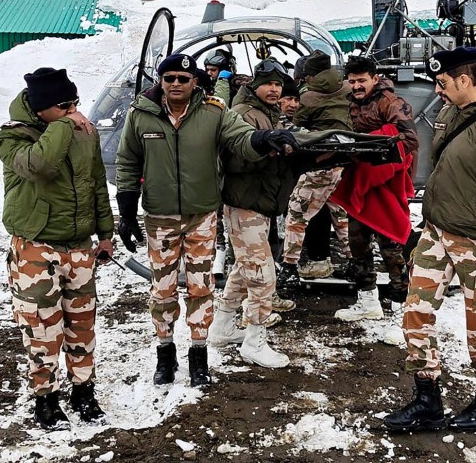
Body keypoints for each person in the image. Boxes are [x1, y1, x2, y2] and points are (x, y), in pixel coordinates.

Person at [113, 53, 297, 388]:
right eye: (169, 79)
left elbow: (239, 136)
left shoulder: (213, 111)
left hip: (202, 216)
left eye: (183, 79)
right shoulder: (141, 115)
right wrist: (126, 212)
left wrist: (262, 139)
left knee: (201, 288)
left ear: (195, 81)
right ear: (161, 81)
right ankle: (165, 352)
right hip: (160, 218)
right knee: (163, 291)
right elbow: (127, 162)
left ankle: (199, 355)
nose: (176, 85)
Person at [384, 47, 476, 433]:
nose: (438, 90)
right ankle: (427, 399)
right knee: (415, 312)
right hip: (437, 233)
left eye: (443, 82)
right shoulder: (450, 114)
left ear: (465, 80)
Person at [0, 67, 115, 430]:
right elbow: (40, 165)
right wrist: (65, 125)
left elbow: (96, 182)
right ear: (40, 106)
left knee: (82, 325)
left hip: (78, 247)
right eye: (64, 105)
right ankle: (45, 398)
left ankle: (83, 391)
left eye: (75, 102)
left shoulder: (83, 135)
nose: (73, 110)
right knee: (43, 328)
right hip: (37, 248)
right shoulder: (13, 137)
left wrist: (105, 232)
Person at [210, 59, 302, 368]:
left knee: (243, 268)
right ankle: (254, 339)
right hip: (244, 203)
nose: (275, 89)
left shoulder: (269, 114)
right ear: (254, 86)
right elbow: (234, 158)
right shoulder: (244, 114)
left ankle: (222, 326)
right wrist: (268, 149)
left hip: (260, 203)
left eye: (279, 84)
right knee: (263, 275)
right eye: (269, 83)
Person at [334, 55, 418, 322]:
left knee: (390, 244)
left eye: (361, 81)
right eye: (352, 82)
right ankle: (367, 299)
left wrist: (367, 142)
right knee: (357, 241)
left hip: (385, 181)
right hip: (360, 177)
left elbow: (409, 139)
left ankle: (399, 307)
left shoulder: (392, 103)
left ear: (375, 78)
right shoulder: (351, 103)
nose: (357, 86)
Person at [278, 50, 353, 284]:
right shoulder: (348, 89)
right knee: (341, 216)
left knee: (297, 213)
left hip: (320, 162)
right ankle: (354, 261)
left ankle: (289, 265)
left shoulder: (309, 97)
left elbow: (298, 127)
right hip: (345, 161)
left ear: (308, 76)